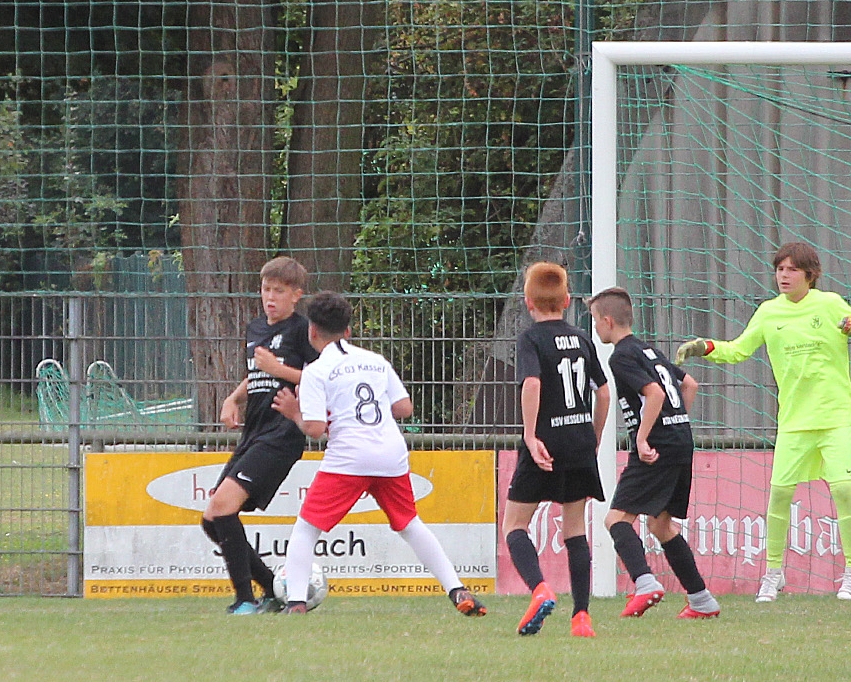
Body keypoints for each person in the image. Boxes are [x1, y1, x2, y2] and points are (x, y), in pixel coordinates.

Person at [675, 241, 851, 602]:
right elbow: (738, 349)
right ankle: (773, 573)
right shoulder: (769, 312)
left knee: (843, 490)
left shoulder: (830, 304)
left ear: (809, 275)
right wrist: (705, 346)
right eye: (780, 269)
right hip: (793, 421)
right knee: (780, 494)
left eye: (791, 270)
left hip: (834, 417)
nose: (784, 276)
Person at [270, 291, 486, 618]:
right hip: (390, 453)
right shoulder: (375, 361)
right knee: (410, 524)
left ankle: (296, 602)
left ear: (311, 331)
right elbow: (404, 408)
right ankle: (457, 589)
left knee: (307, 528)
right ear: (348, 330)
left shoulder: (315, 370)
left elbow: (314, 429)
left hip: (349, 458)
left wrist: (295, 413)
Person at [588, 287, 721, 619]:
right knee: (661, 525)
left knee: (616, 519)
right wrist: (675, 422)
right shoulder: (650, 351)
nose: (595, 328)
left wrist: (643, 437)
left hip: (657, 446)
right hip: (681, 440)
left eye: (595, 320)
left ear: (607, 321)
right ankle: (702, 600)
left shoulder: (621, 356)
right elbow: (689, 384)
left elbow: (655, 393)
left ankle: (645, 584)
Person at [200, 256, 321, 615]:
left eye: (279, 291)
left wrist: (280, 369)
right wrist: (233, 398)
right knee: (211, 519)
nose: (270, 298)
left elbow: (322, 378)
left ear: (296, 295)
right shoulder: (255, 328)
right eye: (266, 289)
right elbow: (257, 373)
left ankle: (244, 600)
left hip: (282, 433)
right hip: (253, 432)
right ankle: (272, 588)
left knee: (223, 508)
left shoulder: (303, 330)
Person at [503, 262, 611, 637]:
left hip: (547, 441)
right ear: (567, 301)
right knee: (575, 529)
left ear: (528, 302)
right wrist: (595, 436)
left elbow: (532, 383)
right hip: (579, 441)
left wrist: (530, 436)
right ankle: (581, 617)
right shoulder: (582, 338)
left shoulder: (531, 339)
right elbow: (603, 392)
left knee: (514, 525)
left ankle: (541, 589)